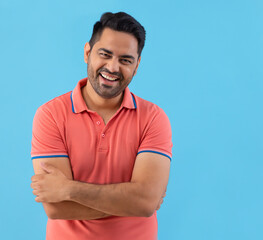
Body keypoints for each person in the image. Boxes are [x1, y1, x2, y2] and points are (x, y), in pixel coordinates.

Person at [30, 12, 172, 240]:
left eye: (125, 60)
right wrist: (132, 201)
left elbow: (145, 202)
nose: (113, 68)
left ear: (137, 65)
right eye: (105, 54)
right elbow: (57, 208)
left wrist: (69, 189)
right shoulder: (51, 115)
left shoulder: (153, 118)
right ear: (87, 52)